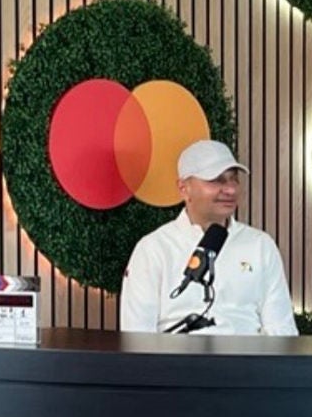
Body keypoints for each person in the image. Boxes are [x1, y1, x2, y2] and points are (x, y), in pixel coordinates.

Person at [120, 140, 298, 335]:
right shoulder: (153, 248)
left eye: (234, 179)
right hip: (174, 354)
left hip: (248, 353)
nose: (230, 190)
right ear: (184, 188)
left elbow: (282, 329)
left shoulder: (261, 245)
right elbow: (136, 335)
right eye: (216, 180)